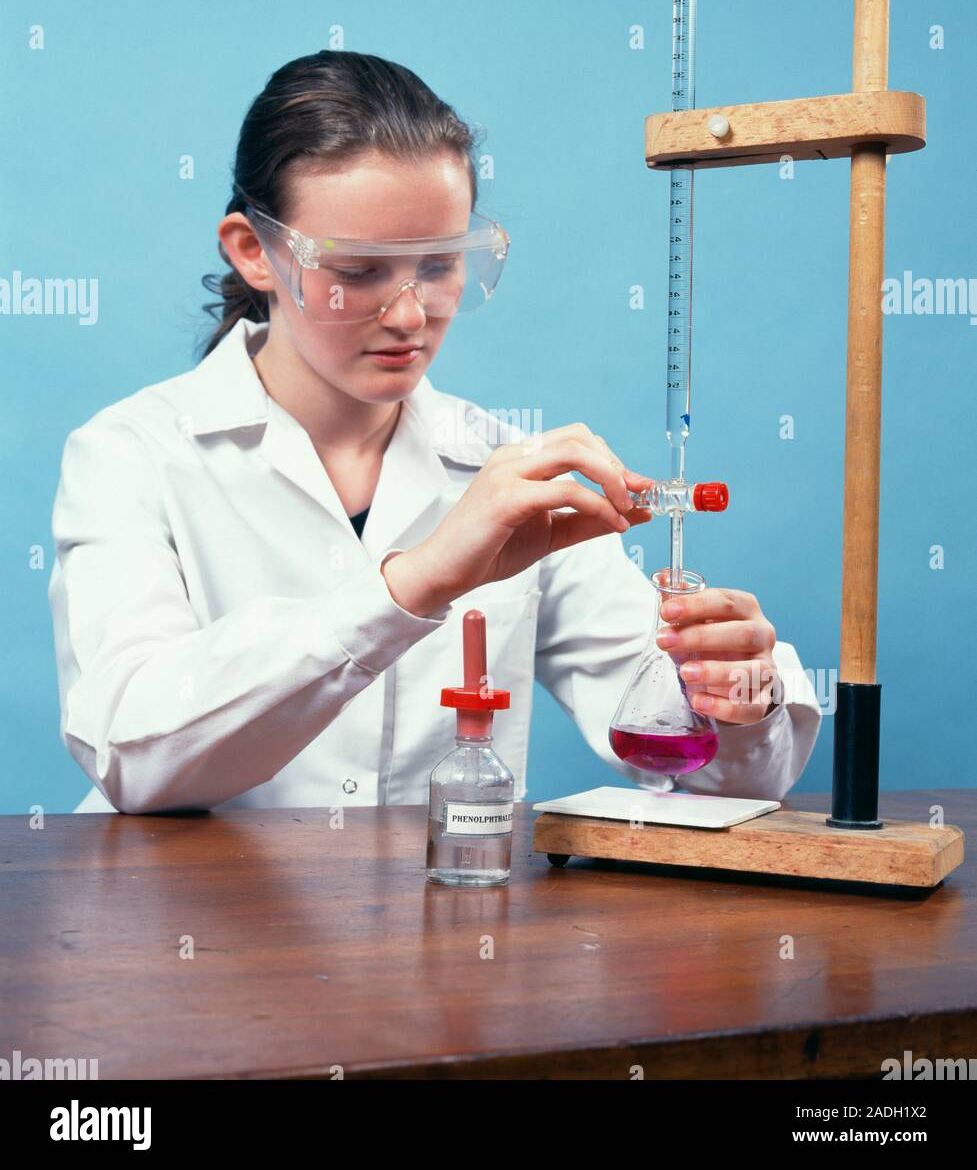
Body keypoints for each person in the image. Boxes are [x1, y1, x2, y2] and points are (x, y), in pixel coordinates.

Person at [48, 50, 820, 816]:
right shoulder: (131, 454)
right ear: (255, 251)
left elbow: (713, 776)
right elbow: (130, 754)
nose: (411, 315)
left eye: (442, 264)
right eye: (357, 272)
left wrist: (735, 698)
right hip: (182, 930)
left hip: (443, 928)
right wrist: (413, 583)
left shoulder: (501, 473)